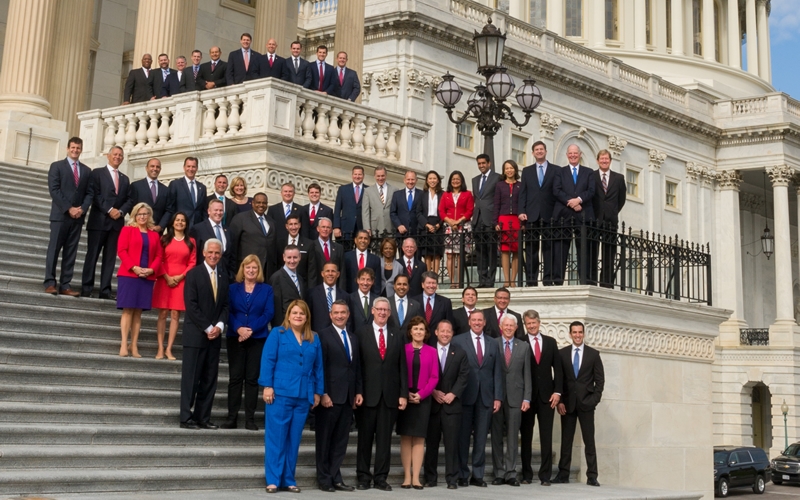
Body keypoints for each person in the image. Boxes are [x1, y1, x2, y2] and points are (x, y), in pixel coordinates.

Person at [259, 299, 324, 493]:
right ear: (288, 315)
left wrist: (318, 391)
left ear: (307, 317)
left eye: (301, 313)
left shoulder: (314, 337)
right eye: (294, 312)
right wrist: (267, 386)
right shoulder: (277, 334)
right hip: (280, 393)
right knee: (276, 438)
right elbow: (268, 360)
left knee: (294, 439)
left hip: (303, 395)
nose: (298, 316)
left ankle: (288, 478)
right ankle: (273, 479)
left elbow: (318, 367)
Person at [354, 297, 408, 491]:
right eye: (379, 309)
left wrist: (403, 394)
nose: (383, 313)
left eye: (386, 310)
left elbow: (402, 366)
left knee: (385, 440)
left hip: (390, 396)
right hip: (367, 395)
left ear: (390, 312)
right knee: (365, 439)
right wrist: (357, 391)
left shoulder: (398, 334)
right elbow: (357, 366)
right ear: (373, 311)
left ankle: (381, 478)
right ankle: (362, 476)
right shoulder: (361, 333)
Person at [179, 238, 229, 430]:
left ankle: (203, 417)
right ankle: (186, 417)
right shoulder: (193, 274)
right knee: (191, 378)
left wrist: (219, 326)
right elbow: (191, 305)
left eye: (217, 253)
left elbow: (225, 305)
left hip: (215, 337)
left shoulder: (224, 276)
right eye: (211, 252)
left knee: (209, 379)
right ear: (204, 253)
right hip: (196, 335)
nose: (214, 256)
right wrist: (208, 327)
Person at [450, 310, 503, 487]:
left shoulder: (493, 343)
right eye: (474, 320)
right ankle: (462, 474)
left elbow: (497, 371)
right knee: (463, 437)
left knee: (481, 438)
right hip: (465, 395)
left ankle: (477, 475)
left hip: (486, 397)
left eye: (480, 320)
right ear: (469, 321)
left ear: (485, 322)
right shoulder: (458, 340)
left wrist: (498, 397)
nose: (477, 322)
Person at [221, 255, 274, 431]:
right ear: (242, 269)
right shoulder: (232, 288)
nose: (251, 271)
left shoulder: (266, 290)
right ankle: (232, 417)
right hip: (235, 337)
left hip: (257, 338)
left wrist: (250, 329)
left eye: (255, 268)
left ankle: (250, 419)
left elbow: (268, 313)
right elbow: (228, 311)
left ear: (259, 270)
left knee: (252, 379)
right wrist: (239, 329)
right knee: (235, 378)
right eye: (248, 267)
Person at [316, 299, 362, 492]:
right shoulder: (322, 336)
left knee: (341, 441)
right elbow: (320, 367)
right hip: (330, 397)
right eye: (336, 313)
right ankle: (324, 479)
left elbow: (356, 367)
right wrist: (323, 392)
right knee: (325, 440)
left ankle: (336, 476)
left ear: (348, 314)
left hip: (348, 397)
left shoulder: (353, 337)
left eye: (343, 312)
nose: (340, 316)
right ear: (330, 315)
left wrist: (358, 391)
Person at [555, 321, 604, 487]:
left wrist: (594, 400)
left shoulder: (593, 354)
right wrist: (559, 401)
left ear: (583, 334)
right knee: (566, 440)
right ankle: (563, 474)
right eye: (574, 332)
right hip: (567, 404)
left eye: (580, 332)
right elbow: (558, 380)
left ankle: (592, 476)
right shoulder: (562, 354)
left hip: (586, 404)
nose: (577, 335)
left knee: (589, 441)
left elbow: (600, 380)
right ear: (570, 334)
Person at [423, 320, 470, 489]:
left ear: (452, 333)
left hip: (452, 406)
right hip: (432, 406)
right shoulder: (428, 350)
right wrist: (433, 391)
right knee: (432, 445)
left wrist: (453, 393)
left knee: (452, 445)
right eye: (442, 331)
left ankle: (452, 479)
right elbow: (423, 374)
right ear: (436, 332)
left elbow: (464, 376)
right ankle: (430, 478)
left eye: (448, 331)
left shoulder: (460, 353)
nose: (445, 334)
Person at [81, 146, 133, 299]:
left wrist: (121, 211)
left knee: (110, 258)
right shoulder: (97, 173)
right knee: (92, 255)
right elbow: (95, 195)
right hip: (99, 222)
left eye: (120, 155)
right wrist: (109, 209)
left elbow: (129, 199)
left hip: (116, 224)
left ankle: (105, 290)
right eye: (115, 154)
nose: (117, 157)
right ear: (108, 156)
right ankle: (87, 288)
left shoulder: (125, 179)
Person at [518, 309, 562, 486]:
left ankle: (545, 476)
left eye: (534, 323)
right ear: (525, 325)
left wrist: (558, 392)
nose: (531, 326)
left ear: (539, 322)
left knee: (546, 436)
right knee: (526, 437)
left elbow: (558, 369)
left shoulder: (550, 342)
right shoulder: (520, 342)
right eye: (528, 324)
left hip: (547, 398)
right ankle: (527, 474)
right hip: (527, 398)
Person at [44, 137, 92, 296]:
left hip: (77, 218)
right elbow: (54, 190)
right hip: (60, 216)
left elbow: (89, 193)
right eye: (72, 147)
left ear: (81, 149)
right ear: (67, 148)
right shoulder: (57, 166)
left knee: (71, 252)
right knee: (54, 250)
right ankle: (50, 282)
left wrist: (82, 209)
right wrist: (68, 208)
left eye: (78, 148)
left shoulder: (86, 170)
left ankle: (65, 285)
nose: (75, 150)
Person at [116, 202, 163, 358]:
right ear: (135, 215)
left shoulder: (154, 234)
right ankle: (124, 343)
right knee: (128, 309)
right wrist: (134, 267)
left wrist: (151, 270)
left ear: (149, 216)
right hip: (129, 274)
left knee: (138, 312)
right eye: (139, 214)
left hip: (147, 276)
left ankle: (134, 345)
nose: (142, 216)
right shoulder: (127, 230)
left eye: (145, 214)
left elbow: (159, 256)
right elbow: (121, 251)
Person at [397, 316, 439, 490]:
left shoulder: (432, 351)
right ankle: (406, 476)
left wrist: (421, 395)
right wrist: (405, 394)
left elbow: (434, 377)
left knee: (420, 439)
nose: (418, 332)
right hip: (404, 398)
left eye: (421, 329)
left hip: (423, 399)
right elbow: (397, 373)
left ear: (426, 332)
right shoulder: (403, 349)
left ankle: (416, 477)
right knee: (406, 438)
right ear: (410, 332)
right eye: (415, 329)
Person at [490, 315, 531, 486]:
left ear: (516, 328)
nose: (508, 328)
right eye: (505, 325)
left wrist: (527, 398)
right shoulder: (493, 343)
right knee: (496, 436)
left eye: (511, 326)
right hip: (496, 397)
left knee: (513, 437)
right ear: (501, 326)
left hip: (516, 397)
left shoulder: (524, 347)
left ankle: (511, 473)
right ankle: (499, 473)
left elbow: (527, 374)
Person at [152, 212, 196, 360]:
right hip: (165, 278)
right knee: (163, 313)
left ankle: (169, 349)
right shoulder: (164, 239)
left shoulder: (191, 241)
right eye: (177, 220)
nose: (180, 223)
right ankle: (159, 347)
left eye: (183, 220)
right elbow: (159, 259)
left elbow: (192, 262)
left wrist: (180, 276)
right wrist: (166, 276)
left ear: (186, 223)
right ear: (172, 223)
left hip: (181, 280)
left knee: (176, 314)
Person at [552, 144, 595, 285]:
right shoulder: (560, 171)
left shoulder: (589, 172)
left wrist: (579, 200)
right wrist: (570, 202)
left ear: (580, 154)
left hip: (583, 213)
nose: (573, 155)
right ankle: (558, 280)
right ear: (567, 155)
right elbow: (556, 190)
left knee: (584, 248)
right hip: (564, 214)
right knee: (561, 248)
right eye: (570, 153)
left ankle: (585, 280)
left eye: (575, 153)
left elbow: (591, 190)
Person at [518, 141, 558, 286]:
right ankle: (531, 280)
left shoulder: (555, 170)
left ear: (546, 151)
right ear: (533, 153)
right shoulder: (527, 171)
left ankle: (548, 279)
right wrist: (521, 211)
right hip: (531, 215)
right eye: (536, 150)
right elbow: (523, 193)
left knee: (549, 249)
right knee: (531, 250)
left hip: (549, 215)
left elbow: (557, 193)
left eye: (541, 149)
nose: (539, 151)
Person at [591, 149, 626, 287]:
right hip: (594, 218)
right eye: (601, 159)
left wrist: (612, 211)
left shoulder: (619, 178)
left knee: (609, 253)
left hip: (610, 220)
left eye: (606, 159)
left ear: (610, 161)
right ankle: (592, 280)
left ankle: (606, 282)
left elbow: (621, 199)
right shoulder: (591, 176)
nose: (604, 161)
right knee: (593, 251)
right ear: (597, 161)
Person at [228, 192, 278, 280]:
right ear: (253, 203)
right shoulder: (240, 218)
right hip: (247, 268)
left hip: (267, 270)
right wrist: (234, 270)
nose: (261, 205)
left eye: (264, 203)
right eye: (258, 202)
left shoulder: (272, 222)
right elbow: (233, 244)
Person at [472, 154, 503, 288]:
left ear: (489, 163)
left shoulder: (497, 177)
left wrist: (496, 220)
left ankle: (490, 280)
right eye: (479, 163)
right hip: (477, 219)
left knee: (491, 250)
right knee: (480, 250)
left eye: (483, 163)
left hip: (490, 218)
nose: (481, 166)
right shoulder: (475, 180)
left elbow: (498, 199)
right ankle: (482, 279)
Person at [439, 170, 473, 288]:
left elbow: (470, 210)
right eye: (453, 179)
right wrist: (450, 222)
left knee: (460, 255)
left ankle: (459, 282)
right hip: (449, 226)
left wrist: (458, 221)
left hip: (463, 226)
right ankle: (452, 282)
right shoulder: (445, 195)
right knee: (450, 255)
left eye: (458, 179)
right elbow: (441, 211)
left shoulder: (468, 194)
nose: (455, 181)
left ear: (462, 180)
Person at [494, 160, 522, 288]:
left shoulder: (520, 185)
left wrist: (523, 222)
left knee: (516, 250)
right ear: (504, 171)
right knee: (505, 250)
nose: (509, 170)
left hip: (516, 219)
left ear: (515, 170)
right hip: (503, 218)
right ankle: (506, 280)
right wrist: (495, 222)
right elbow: (496, 204)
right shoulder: (500, 185)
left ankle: (513, 280)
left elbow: (523, 203)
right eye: (507, 168)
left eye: (511, 168)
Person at [189, 199, 232, 279]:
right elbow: (194, 254)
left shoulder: (228, 230)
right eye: (216, 210)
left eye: (221, 210)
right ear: (209, 211)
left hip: (224, 277)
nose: (218, 213)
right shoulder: (198, 229)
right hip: (203, 276)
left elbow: (231, 254)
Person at [128, 158, 169, 234]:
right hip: (139, 230)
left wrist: (160, 226)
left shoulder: (165, 189)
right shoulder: (136, 186)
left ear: (160, 169)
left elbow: (168, 210)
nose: (155, 169)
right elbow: (131, 207)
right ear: (146, 168)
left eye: (157, 167)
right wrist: (139, 222)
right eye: (152, 166)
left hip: (156, 231)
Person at [306, 261, 348, 333]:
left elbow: (348, 320)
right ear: (322, 273)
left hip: (338, 337)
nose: (330, 274)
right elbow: (308, 317)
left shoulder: (345, 295)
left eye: (333, 271)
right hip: (317, 335)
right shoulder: (312, 294)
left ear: (338, 274)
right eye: (327, 271)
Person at [411, 271, 453, 344]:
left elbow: (450, 324)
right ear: (422, 285)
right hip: (418, 343)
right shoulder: (413, 301)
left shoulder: (445, 302)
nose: (431, 285)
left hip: (438, 344)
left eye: (434, 283)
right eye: (428, 283)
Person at [270, 245, 307, 327]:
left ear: (300, 257)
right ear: (284, 257)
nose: (292, 261)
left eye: (295, 257)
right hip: (285, 326)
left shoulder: (300, 279)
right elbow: (276, 308)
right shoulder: (277, 278)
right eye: (289, 257)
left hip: (299, 325)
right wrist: (280, 329)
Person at [416, 170, 444, 274]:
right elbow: (418, 212)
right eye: (430, 178)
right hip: (425, 225)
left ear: (438, 180)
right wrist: (426, 224)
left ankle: (435, 277)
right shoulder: (422, 194)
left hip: (438, 224)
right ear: (427, 181)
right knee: (427, 254)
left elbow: (444, 211)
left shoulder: (442, 194)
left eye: (434, 178)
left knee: (437, 253)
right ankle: (428, 276)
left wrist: (438, 224)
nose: (432, 181)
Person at [166, 157, 206, 227]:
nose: (190, 169)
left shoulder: (202, 187)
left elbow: (204, 210)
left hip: (198, 228)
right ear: (184, 167)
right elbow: (170, 208)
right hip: (181, 227)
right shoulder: (175, 184)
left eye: (193, 167)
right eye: (188, 166)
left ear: (197, 168)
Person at [307, 217, 343, 289]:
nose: (325, 229)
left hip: (334, 287)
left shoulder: (339, 248)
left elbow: (342, 271)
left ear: (331, 230)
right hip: (317, 287)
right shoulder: (311, 246)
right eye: (323, 227)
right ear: (318, 228)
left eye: (328, 227)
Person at [342, 230, 381, 295]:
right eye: (360, 238)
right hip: (350, 295)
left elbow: (377, 282)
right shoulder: (346, 257)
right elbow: (343, 278)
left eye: (365, 238)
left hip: (369, 296)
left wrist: (375, 297)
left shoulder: (375, 259)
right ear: (355, 240)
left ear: (368, 241)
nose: (363, 240)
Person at [333, 165, 367, 239]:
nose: (357, 176)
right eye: (355, 174)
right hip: (345, 228)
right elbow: (337, 209)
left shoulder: (368, 190)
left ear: (363, 176)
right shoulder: (343, 189)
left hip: (362, 227)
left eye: (359, 174)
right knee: (345, 250)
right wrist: (336, 226)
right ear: (352, 175)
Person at [362, 166, 395, 238]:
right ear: (374, 176)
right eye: (378, 176)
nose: (380, 178)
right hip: (375, 229)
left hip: (390, 229)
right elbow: (365, 211)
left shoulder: (394, 190)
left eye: (382, 176)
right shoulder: (368, 191)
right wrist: (367, 228)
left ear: (386, 175)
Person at [391, 170, 423, 240]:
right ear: (404, 180)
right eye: (408, 179)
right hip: (402, 232)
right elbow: (393, 213)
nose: (410, 182)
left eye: (412, 179)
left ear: (416, 180)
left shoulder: (422, 194)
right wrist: (398, 225)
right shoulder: (397, 195)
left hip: (417, 233)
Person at [347, 267, 379, 333]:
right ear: (358, 280)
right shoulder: (349, 298)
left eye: (368, 280)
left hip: (372, 338)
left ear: (372, 282)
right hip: (355, 337)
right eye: (362, 279)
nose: (365, 283)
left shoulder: (377, 300)